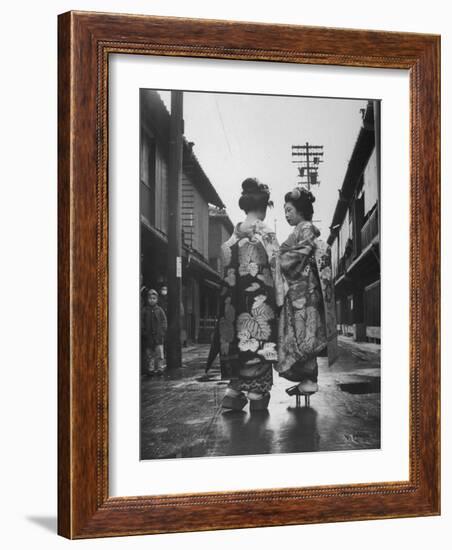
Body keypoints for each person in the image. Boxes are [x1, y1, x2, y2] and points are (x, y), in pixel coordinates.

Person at [214, 177, 283, 411]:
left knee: (237, 344)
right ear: (264, 207)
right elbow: (278, 271)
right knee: (259, 345)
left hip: (235, 306)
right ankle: (256, 394)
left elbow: (225, 269)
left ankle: (233, 393)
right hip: (260, 306)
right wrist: (281, 303)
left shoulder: (232, 239)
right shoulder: (268, 235)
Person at [276, 186, 338, 401]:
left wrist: (279, 258)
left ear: (300, 211)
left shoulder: (306, 229)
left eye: (289, 210)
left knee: (305, 335)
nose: (286, 214)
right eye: (284, 211)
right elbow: (284, 250)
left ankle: (310, 380)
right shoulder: (300, 230)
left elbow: (295, 256)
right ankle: (308, 380)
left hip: (306, 291)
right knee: (301, 334)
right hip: (300, 292)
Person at [142, 288, 168, 376]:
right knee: (149, 354)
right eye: (150, 298)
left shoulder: (160, 310)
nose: (152, 300)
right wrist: (144, 332)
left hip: (158, 336)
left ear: (157, 299)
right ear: (147, 299)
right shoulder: (145, 310)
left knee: (159, 353)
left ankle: (160, 368)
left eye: (154, 298)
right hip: (148, 336)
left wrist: (162, 332)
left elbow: (164, 321)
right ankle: (151, 369)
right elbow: (142, 322)